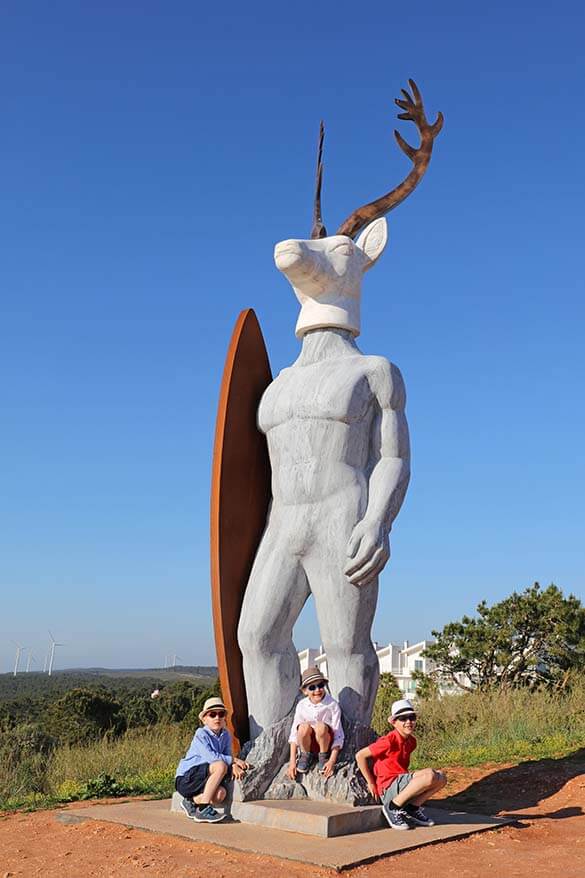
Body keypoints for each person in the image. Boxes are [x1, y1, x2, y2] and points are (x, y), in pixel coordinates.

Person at [355, 698, 447, 830]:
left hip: (401, 783)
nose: (408, 722)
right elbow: (360, 755)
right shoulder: (389, 740)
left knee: (442, 777)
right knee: (430, 775)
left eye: (411, 717)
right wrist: (370, 782)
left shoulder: (411, 742)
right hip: (388, 786)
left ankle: (411, 808)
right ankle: (391, 807)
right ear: (394, 722)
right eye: (403, 718)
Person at [175, 696, 249, 823]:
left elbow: (226, 756)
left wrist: (233, 765)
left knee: (220, 795)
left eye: (221, 714)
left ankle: (190, 801)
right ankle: (203, 809)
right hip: (186, 778)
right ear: (204, 719)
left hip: (204, 778)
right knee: (220, 766)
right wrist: (234, 760)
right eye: (212, 714)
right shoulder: (201, 734)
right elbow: (211, 758)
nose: (217, 718)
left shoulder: (225, 735)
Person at [287, 667, 344, 778]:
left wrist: (332, 760)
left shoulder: (332, 705)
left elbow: (338, 734)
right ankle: (305, 755)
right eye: (312, 687)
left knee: (320, 726)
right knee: (303, 727)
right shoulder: (301, 705)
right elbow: (294, 735)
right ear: (305, 691)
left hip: (325, 742)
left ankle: (323, 756)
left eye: (320, 685)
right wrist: (292, 761)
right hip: (308, 742)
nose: (317, 690)